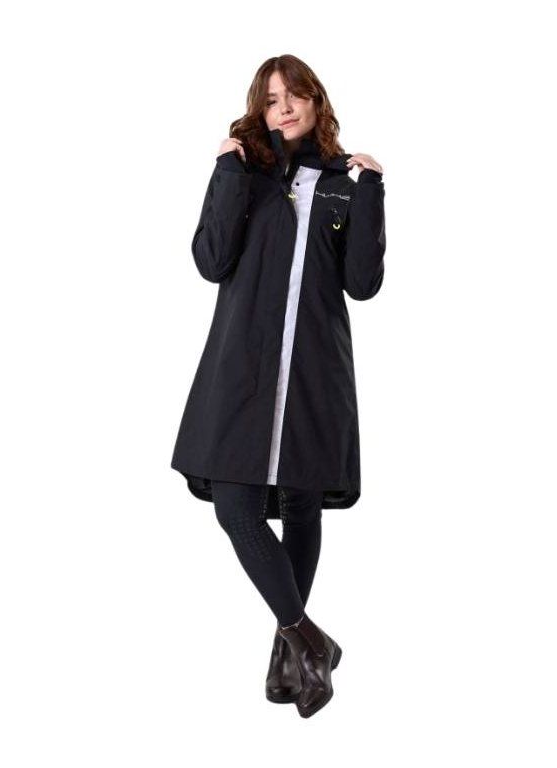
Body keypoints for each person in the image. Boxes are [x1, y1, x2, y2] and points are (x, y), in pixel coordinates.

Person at [170, 54, 386, 718]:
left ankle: (286, 655)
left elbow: (362, 284)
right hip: (243, 368)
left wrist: (373, 193)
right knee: (235, 508)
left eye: (295, 95)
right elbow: (211, 260)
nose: (284, 107)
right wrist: (226, 172)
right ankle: (310, 640)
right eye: (271, 99)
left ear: (316, 102)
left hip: (316, 369)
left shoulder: (343, 184)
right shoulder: (247, 174)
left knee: (301, 506)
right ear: (258, 110)